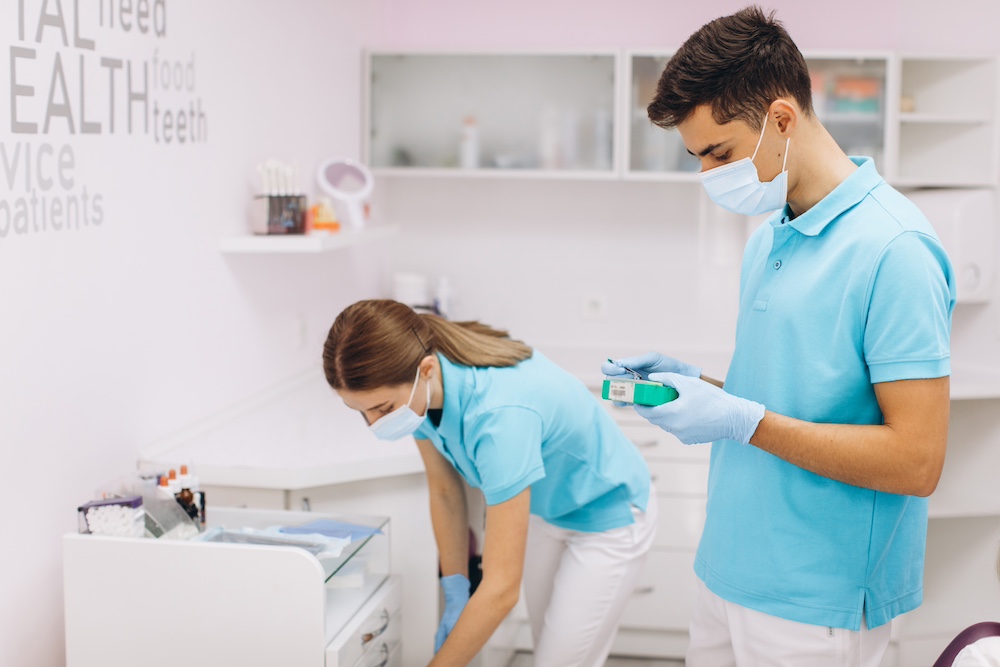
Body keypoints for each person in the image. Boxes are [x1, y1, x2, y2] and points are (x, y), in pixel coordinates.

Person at [603, 6, 956, 667]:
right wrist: (699, 388)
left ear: (783, 120)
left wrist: (739, 418)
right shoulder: (771, 234)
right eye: (697, 157)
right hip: (726, 570)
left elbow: (917, 461)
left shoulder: (896, 250)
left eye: (719, 152)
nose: (708, 175)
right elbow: (780, 400)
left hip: (814, 599)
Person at [324, 299, 657, 667]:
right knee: (546, 644)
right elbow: (446, 491)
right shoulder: (422, 387)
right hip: (546, 508)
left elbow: (500, 591)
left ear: (426, 370)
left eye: (383, 409)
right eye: (361, 412)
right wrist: (455, 589)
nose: (374, 424)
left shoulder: (498, 417)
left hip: (608, 514)